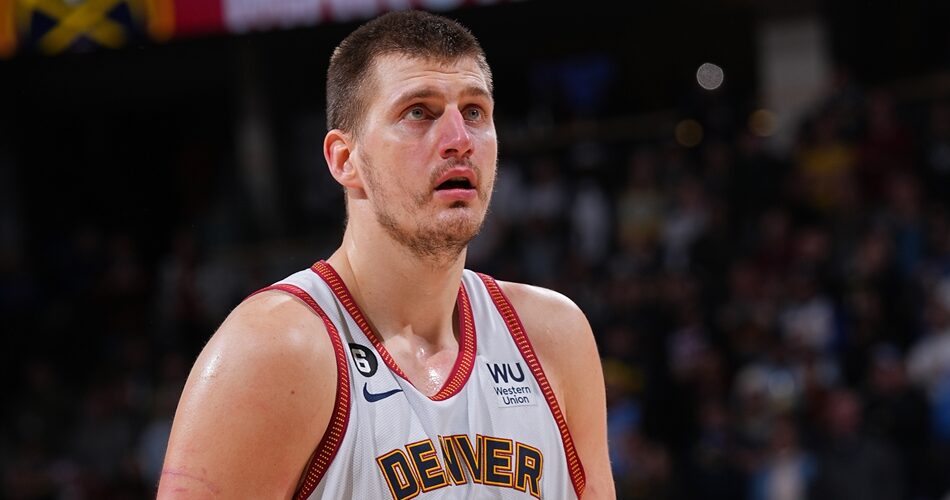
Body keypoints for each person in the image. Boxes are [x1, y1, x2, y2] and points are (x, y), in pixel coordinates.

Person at [158, 9, 614, 499]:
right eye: (419, 112)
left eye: (474, 112)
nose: (460, 141)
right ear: (345, 160)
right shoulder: (274, 352)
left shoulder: (553, 337)